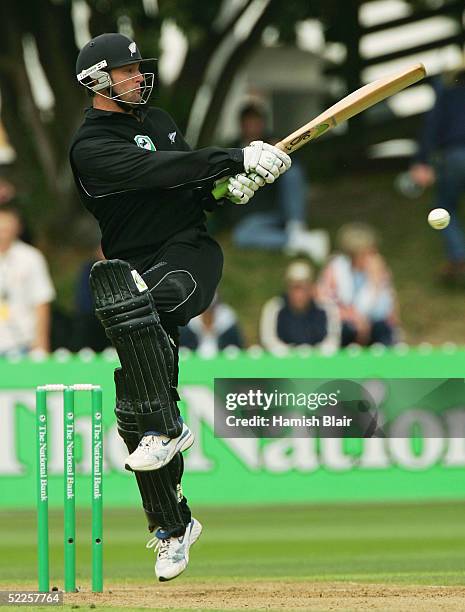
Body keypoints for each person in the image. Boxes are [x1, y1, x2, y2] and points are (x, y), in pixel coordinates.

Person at [69, 33, 291, 582]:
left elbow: (187, 182)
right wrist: (232, 156)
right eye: (124, 70)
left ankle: (165, 427)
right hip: (134, 265)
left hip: (189, 255)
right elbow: (157, 173)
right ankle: (173, 528)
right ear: (97, 79)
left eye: (136, 68)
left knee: (147, 305)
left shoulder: (160, 120)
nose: (137, 76)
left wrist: (225, 188)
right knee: (135, 411)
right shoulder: (90, 148)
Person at [225, 103, 329, 264]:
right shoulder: (231, 151)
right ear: (242, 125)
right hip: (252, 216)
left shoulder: (274, 144)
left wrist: (279, 155)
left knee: (293, 170)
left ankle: (296, 228)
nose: (253, 128)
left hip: (280, 209)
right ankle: (300, 241)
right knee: (242, 236)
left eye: (256, 123)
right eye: (249, 123)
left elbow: (295, 175)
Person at [410, 65, 465, 281]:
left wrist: (421, 162)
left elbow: (431, 128)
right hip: (455, 155)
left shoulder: (447, 95)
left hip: (455, 156)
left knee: (445, 206)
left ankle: (459, 257)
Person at [318, 223, 399, 347]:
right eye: (368, 252)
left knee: (382, 329)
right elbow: (325, 303)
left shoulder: (378, 270)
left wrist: (375, 281)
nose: (373, 256)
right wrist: (356, 319)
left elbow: (386, 308)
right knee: (345, 330)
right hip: (345, 327)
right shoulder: (335, 269)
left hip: (374, 326)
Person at [0, 205, 55, 355]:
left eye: (7, 225)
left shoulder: (31, 257)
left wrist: (41, 343)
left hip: (22, 344)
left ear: (18, 226)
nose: (3, 230)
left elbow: (42, 301)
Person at [259, 260, 340, 354]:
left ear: (311, 287)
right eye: (294, 288)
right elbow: (269, 340)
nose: (298, 294)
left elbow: (332, 341)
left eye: (303, 288)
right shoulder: (274, 307)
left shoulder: (326, 308)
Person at [179, 294, 244, 357]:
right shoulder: (188, 324)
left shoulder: (228, 322)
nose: (208, 314)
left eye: (211, 310)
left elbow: (237, 347)